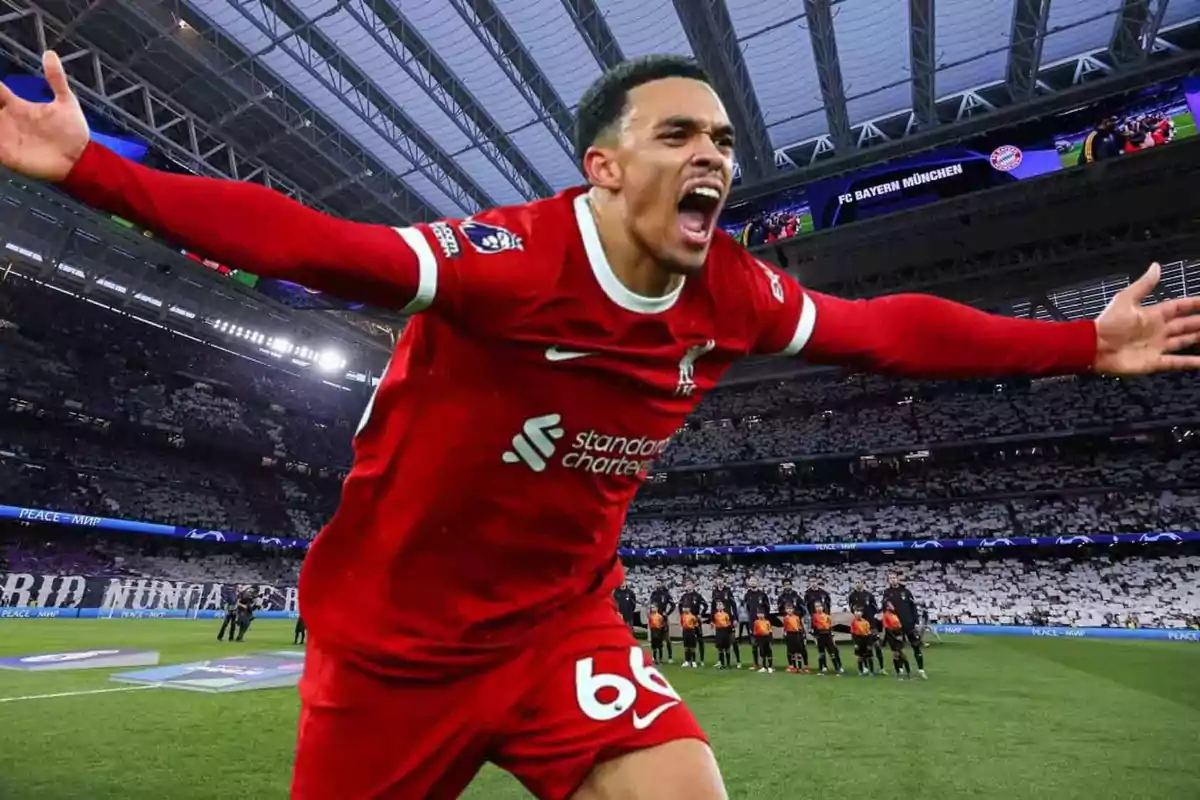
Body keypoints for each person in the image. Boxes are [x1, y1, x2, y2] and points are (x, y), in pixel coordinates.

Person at [12, 48, 1200, 800]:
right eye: (679, 134)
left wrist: (1081, 343)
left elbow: (886, 329)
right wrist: (91, 171)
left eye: (725, 141)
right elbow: (316, 243)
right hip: (396, 651)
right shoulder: (512, 260)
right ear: (603, 167)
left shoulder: (728, 290)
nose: (714, 158)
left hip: (558, 628)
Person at [882, 573, 927, 679]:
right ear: (888, 581)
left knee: (916, 646)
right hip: (896, 627)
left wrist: (915, 621)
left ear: (898, 579)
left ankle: (921, 670)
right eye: (890, 578)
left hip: (908, 624)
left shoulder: (906, 592)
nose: (892, 580)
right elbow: (884, 608)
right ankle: (900, 670)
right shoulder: (887, 593)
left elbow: (913, 607)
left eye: (894, 578)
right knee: (898, 650)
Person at [848, 579, 884, 673]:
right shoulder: (852, 596)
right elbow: (851, 608)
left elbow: (875, 608)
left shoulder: (869, 595)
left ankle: (882, 667)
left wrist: (875, 617)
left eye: (859, 582)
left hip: (871, 624)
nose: (857, 584)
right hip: (860, 625)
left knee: (877, 645)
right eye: (856, 582)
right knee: (863, 647)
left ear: (863, 584)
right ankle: (865, 667)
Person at [710, 577, 740, 668]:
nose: (719, 581)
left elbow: (733, 605)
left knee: (733, 640)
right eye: (717, 579)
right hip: (719, 619)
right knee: (720, 641)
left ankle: (738, 661)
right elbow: (712, 606)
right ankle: (721, 661)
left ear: (723, 581)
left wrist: (735, 618)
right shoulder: (714, 592)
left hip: (729, 619)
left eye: (721, 579)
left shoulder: (728, 591)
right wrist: (712, 619)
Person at [742, 578, 771, 671]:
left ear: (758, 583)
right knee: (754, 644)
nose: (753, 583)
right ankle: (755, 663)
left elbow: (767, 607)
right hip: (752, 622)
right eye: (751, 581)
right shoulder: (747, 595)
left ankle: (768, 664)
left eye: (754, 581)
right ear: (748, 583)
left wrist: (765, 620)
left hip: (763, 623)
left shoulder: (763, 595)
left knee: (766, 645)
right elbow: (747, 607)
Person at [678, 580, 708, 667]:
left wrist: (701, 614)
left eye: (690, 584)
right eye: (687, 584)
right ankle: (688, 660)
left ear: (693, 585)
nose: (688, 586)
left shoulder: (697, 596)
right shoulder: (684, 596)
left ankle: (701, 659)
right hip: (687, 621)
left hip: (696, 620)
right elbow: (679, 606)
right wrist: (682, 615)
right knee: (687, 640)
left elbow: (705, 605)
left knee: (700, 640)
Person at [809, 602, 843, 675]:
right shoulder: (814, 617)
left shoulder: (827, 616)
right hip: (820, 636)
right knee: (821, 653)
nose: (819, 608)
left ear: (823, 607)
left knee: (832, 652)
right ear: (815, 608)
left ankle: (837, 667)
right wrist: (815, 639)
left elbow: (830, 628)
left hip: (827, 635)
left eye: (820, 606)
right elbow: (813, 629)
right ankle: (822, 668)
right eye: (817, 607)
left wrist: (832, 638)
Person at [882, 602, 912, 679]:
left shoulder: (894, 615)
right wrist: (895, 637)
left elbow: (899, 626)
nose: (892, 606)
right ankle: (903, 672)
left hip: (898, 635)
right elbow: (887, 629)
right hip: (892, 637)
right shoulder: (886, 615)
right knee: (899, 654)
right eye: (890, 605)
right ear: (887, 607)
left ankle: (903, 672)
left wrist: (901, 635)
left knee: (899, 654)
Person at [650, 579, 677, 665]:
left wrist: (667, 613)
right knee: (655, 638)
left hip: (663, 619)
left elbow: (673, 605)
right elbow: (651, 605)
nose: (657, 585)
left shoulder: (666, 594)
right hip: (654, 619)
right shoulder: (653, 594)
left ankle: (670, 657)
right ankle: (655, 657)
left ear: (662, 584)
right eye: (656, 583)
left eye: (659, 583)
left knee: (667, 639)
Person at [781, 604, 808, 674]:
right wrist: (784, 633)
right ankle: (794, 667)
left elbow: (799, 626)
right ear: (785, 610)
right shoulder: (785, 618)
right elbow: (785, 627)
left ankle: (800, 667)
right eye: (787, 609)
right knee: (791, 651)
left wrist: (802, 633)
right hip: (789, 635)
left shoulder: (796, 617)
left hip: (796, 634)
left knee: (798, 651)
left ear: (793, 610)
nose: (789, 610)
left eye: (790, 609)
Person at [849, 608, 876, 676]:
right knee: (859, 657)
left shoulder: (866, 622)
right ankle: (860, 671)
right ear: (855, 614)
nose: (858, 614)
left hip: (866, 639)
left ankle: (871, 671)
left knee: (869, 656)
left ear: (862, 614)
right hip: (858, 640)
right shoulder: (853, 623)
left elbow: (869, 634)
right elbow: (853, 634)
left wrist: (870, 643)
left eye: (859, 613)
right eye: (857, 613)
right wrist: (855, 643)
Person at [711, 601, 734, 670]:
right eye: (718, 605)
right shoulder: (715, 615)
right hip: (718, 632)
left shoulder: (726, 615)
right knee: (720, 649)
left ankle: (728, 664)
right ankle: (722, 664)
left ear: (723, 607)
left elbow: (729, 623)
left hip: (725, 631)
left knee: (727, 648)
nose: (719, 606)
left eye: (720, 605)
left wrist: (730, 628)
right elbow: (712, 622)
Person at [752, 609, 774, 674]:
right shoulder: (756, 622)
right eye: (759, 614)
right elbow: (755, 631)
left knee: (769, 652)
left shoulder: (767, 622)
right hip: (760, 638)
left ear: (764, 615)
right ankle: (764, 667)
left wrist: (770, 639)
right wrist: (756, 639)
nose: (760, 615)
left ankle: (770, 667)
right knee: (762, 652)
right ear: (757, 615)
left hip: (766, 637)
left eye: (761, 614)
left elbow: (770, 631)